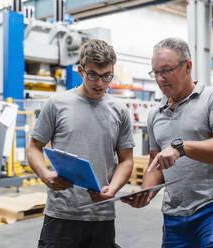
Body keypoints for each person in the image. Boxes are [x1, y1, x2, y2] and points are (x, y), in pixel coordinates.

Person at [122, 38, 213, 248]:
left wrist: (182, 148)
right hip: (174, 217)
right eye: (155, 72)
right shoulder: (155, 115)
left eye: (166, 70)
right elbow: (155, 164)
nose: (160, 79)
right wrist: (146, 192)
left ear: (188, 66)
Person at [27, 39, 135, 248]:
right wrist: (45, 175)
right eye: (93, 75)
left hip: (101, 214)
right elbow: (34, 148)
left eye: (107, 76)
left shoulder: (120, 111)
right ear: (80, 70)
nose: (100, 83)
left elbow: (126, 160)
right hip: (62, 214)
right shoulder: (57, 105)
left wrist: (112, 189)